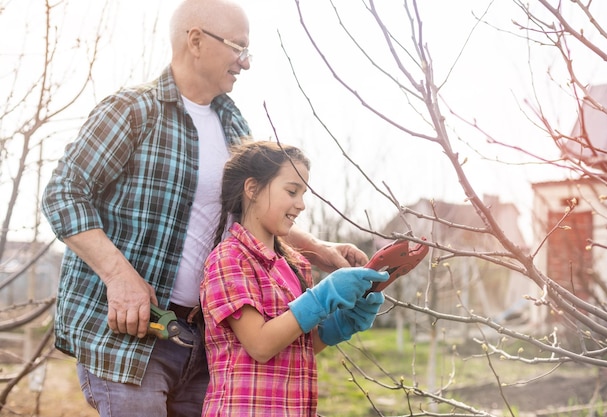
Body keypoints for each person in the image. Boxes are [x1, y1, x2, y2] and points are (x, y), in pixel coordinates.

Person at [40, 1, 369, 416]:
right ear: (195, 40)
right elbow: (63, 192)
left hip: (204, 344)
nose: (245, 63)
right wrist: (119, 277)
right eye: (239, 47)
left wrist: (323, 252)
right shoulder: (132, 111)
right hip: (132, 337)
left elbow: (252, 218)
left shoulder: (234, 127)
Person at [201, 141, 389, 416]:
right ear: (252, 189)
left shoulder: (295, 266)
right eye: (292, 191)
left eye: (303, 194)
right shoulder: (229, 259)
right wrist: (325, 295)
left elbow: (300, 347)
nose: (300, 205)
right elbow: (261, 345)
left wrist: (343, 323)